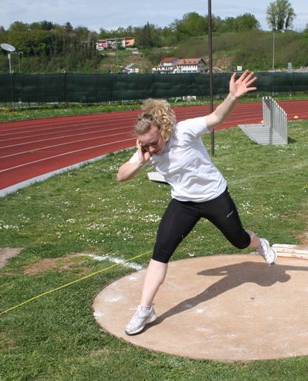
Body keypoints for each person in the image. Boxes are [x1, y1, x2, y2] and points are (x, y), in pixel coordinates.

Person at [117, 70, 277, 335]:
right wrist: (141, 160)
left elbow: (216, 117)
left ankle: (260, 243)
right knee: (160, 252)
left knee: (238, 240)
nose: (151, 149)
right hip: (183, 203)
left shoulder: (184, 131)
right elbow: (121, 176)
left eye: (153, 143)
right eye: (145, 146)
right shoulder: (146, 152)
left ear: (163, 129)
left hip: (214, 196)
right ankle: (145, 310)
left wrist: (232, 97)